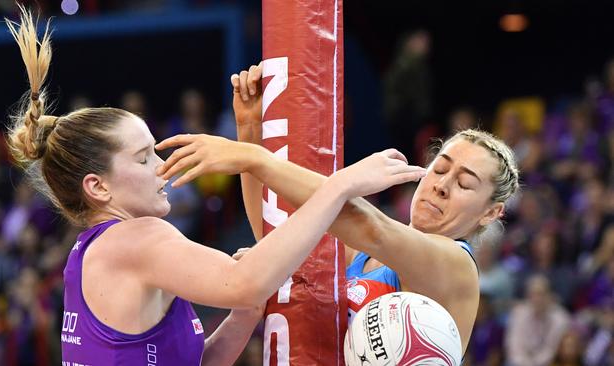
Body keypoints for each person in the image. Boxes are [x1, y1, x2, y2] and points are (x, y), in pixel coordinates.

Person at [4, 8, 426, 365]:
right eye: (143, 157)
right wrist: (340, 185)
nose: (162, 166)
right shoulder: (136, 237)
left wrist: (244, 316)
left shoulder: (93, 251)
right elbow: (247, 281)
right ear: (98, 187)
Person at [155, 63, 521, 353]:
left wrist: (255, 157)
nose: (441, 185)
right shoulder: (363, 256)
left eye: (464, 183)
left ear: (491, 212)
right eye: (440, 169)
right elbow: (278, 237)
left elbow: (370, 226)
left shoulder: (456, 264)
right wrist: (250, 131)